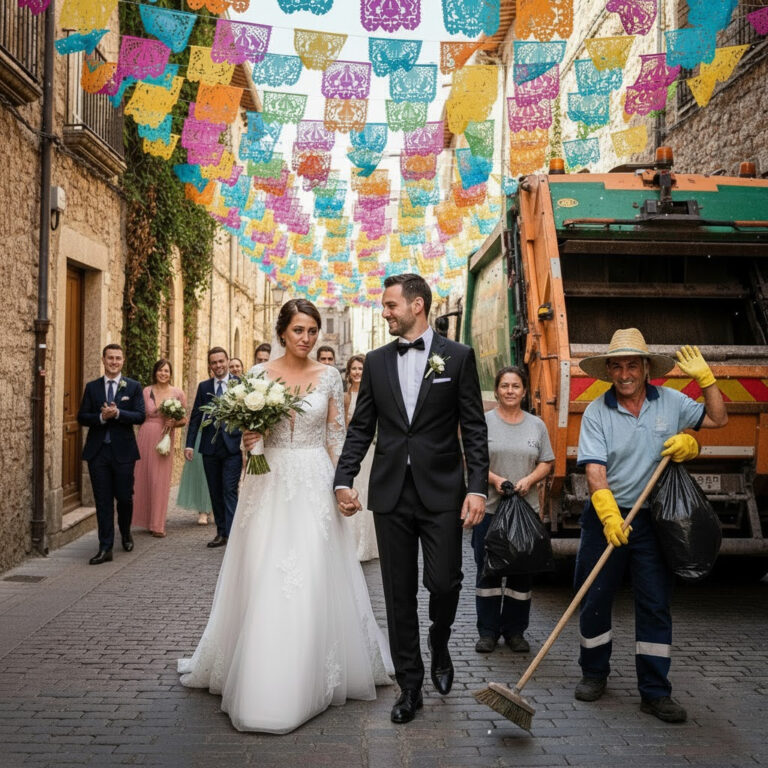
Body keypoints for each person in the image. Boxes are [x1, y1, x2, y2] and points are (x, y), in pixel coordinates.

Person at [178, 299, 393, 733]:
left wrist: (343, 484)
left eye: (313, 330)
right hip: (268, 481)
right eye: (299, 330)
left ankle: (310, 668)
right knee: (262, 570)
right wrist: (248, 438)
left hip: (314, 480)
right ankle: (259, 668)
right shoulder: (256, 377)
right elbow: (243, 438)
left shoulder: (330, 376)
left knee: (312, 572)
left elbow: (337, 437)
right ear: (283, 332)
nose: (307, 338)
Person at [334, 273, 489, 725]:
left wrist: (476, 487)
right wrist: (344, 479)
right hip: (390, 493)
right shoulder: (378, 362)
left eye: (390, 305)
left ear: (417, 305)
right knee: (397, 593)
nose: (385, 312)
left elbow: (474, 428)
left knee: (444, 582)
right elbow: (362, 426)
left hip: (442, 491)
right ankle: (410, 685)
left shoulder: (457, 358)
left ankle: (439, 640)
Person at [575, 328, 727, 723]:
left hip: (654, 520)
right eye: (617, 366)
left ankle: (655, 692)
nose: (625, 373)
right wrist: (608, 514)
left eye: (632, 365)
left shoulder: (672, 401)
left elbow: (716, 418)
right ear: (609, 370)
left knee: (655, 603)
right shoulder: (596, 411)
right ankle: (594, 673)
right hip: (606, 515)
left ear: (645, 369)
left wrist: (705, 383)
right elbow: (595, 470)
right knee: (594, 598)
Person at [473, 366, 554, 655]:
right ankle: (488, 632)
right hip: (491, 511)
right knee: (488, 574)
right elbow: (473, 462)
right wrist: (497, 481)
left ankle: (515, 632)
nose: (510, 391)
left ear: (523, 391)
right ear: (496, 390)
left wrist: (529, 480)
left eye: (515, 386)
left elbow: (546, 462)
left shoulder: (536, 425)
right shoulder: (484, 423)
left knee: (521, 575)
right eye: (505, 386)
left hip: (526, 512)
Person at [77, 343, 145, 564]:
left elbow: (140, 416)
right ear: (103, 360)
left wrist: (117, 414)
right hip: (98, 453)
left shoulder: (133, 387)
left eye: (118, 358)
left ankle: (125, 532)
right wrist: (100, 418)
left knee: (124, 498)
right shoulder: (93, 387)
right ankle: (105, 547)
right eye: (110, 358)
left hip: (124, 453)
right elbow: (82, 417)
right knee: (103, 500)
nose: (114, 362)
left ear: (123, 361)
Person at [185, 347, 241, 548]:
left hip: (233, 447)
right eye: (214, 362)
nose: (218, 365)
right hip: (209, 448)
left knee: (229, 489)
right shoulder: (203, 387)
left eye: (221, 361)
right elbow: (195, 417)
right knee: (215, 492)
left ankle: (233, 536)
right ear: (210, 365)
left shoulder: (240, 384)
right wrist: (190, 444)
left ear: (227, 361)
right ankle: (221, 533)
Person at [132, 359, 187, 538]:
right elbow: (140, 414)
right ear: (155, 372)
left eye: (167, 371)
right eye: (160, 370)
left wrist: (174, 422)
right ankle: (146, 520)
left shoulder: (178, 393)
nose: (163, 374)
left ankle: (158, 524)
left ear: (170, 374)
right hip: (146, 436)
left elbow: (185, 419)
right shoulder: (146, 391)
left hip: (164, 438)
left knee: (160, 480)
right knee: (144, 478)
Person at [343, 354, 378, 562]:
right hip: (352, 451)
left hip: (370, 451)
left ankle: (368, 542)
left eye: (361, 369)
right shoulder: (346, 397)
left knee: (367, 491)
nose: (357, 372)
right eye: (354, 369)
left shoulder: (372, 395)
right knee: (354, 490)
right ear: (349, 372)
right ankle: (352, 541)